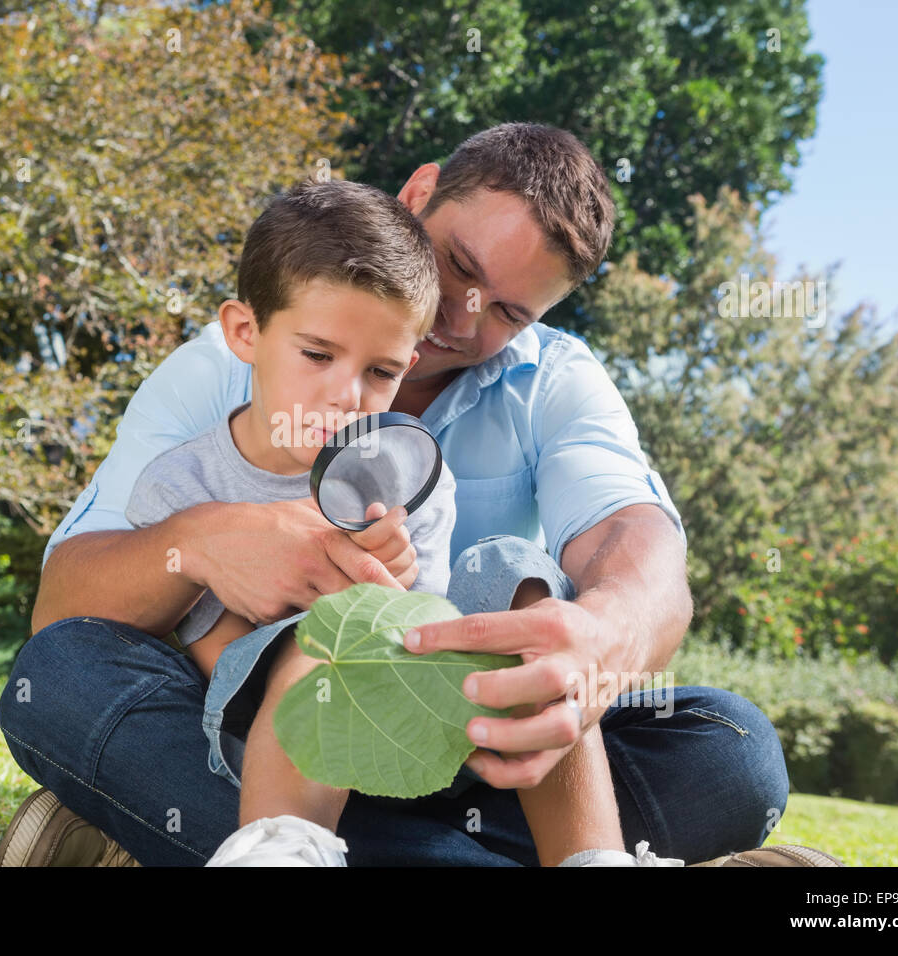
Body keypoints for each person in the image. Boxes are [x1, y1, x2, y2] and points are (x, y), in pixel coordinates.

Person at [0, 123, 798, 867]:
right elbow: (66, 606)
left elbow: (640, 548)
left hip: (466, 734)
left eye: (510, 310)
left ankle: (175, 837)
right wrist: (201, 539)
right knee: (60, 675)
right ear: (417, 199)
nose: (459, 316)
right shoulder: (233, 357)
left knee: (731, 751)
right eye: (460, 266)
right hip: (265, 737)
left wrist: (599, 638)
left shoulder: (551, 381)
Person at [108, 178, 679, 867]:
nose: (345, 395)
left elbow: (426, 621)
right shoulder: (184, 484)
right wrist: (305, 612)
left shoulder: (407, 471)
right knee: (316, 641)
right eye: (317, 356)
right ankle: (284, 847)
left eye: (379, 372)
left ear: (405, 366)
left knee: (521, 583)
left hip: (429, 707)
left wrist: (395, 574)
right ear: (244, 333)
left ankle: (592, 857)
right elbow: (214, 655)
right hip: (283, 730)